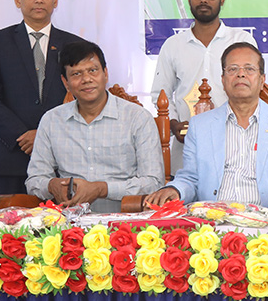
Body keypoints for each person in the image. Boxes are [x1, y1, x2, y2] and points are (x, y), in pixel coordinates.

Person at [144, 43, 268, 209]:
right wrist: (174, 190)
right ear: (223, 80)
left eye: (249, 69)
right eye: (233, 69)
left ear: (262, 80)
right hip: (213, 219)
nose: (241, 74)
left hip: (267, 216)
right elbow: (190, 178)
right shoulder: (200, 125)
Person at [0, 0, 86, 196]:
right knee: (11, 220)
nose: (38, 0)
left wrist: (44, 136)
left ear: (55, 0)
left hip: (62, 161)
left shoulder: (75, 45)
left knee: (64, 220)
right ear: (18, 0)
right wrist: (22, 135)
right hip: (11, 158)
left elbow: (84, 97)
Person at [25, 41, 164, 212]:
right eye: (76, 74)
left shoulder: (137, 118)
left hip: (125, 219)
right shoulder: (51, 120)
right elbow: (34, 180)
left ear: (105, 73)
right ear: (65, 82)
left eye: (93, 70)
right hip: (70, 221)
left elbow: (153, 182)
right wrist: (51, 185)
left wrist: (102, 189)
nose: (86, 79)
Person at [150, 0, 254, 171]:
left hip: (235, 142)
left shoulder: (241, 40)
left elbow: (254, 89)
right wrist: (174, 124)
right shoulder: (173, 45)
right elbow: (160, 94)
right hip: (187, 145)